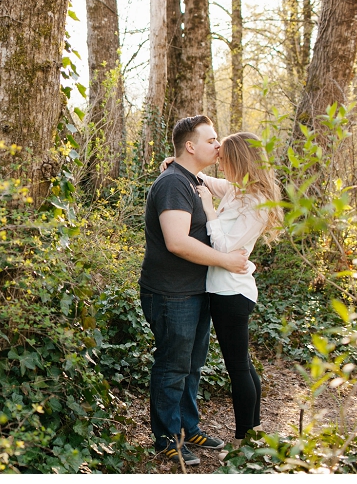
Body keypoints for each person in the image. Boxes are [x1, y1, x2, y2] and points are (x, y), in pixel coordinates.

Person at [160, 131, 282, 455]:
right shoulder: (238, 190)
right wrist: (181, 166)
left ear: (239, 161)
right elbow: (208, 182)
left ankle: (243, 442)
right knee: (245, 365)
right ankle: (253, 430)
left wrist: (210, 211)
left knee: (238, 368)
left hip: (231, 293)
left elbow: (226, 248)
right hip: (225, 290)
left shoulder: (256, 202)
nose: (220, 162)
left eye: (225, 158)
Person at [139, 115, 250, 466]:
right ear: (190, 146)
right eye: (212, 139)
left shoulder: (190, 179)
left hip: (197, 290)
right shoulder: (173, 183)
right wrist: (225, 260)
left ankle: (188, 427)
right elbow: (176, 242)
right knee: (173, 366)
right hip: (172, 294)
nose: (219, 145)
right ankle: (168, 438)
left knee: (192, 365)